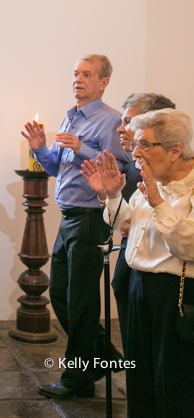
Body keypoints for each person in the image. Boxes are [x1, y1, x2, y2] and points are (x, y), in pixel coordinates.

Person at [22, 54, 131, 398]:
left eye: (87, 74)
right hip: (68, 217)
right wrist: (40, 149)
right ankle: (105, 355)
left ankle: (78, 379)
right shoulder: (70, 118)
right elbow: (56, 167)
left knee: (81, 301)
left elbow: (123, 166)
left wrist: (83, 148)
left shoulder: (111, 121)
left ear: (104, 82)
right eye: (76, 74)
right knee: (60, 295)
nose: (78, 79)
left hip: (90, 218)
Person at [94, 109, 194, 418]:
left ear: (175, 150)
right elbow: (129, 227)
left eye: (145, 144)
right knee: (140, 376)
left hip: (174, 293)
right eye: (135, 144)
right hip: (138, 287)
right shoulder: (151, 181)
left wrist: (160, 205)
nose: (135, 152)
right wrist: (112, 196)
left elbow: (189, 247)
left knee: (173, 381)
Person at [80, 93, 175, 355]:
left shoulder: (171, 172)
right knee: (137, 352)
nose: (120, 128)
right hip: (131, 262)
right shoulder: (135, 166)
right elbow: (126, 219)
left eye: (128, 122)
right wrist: (108, 196)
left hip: (162, 274)